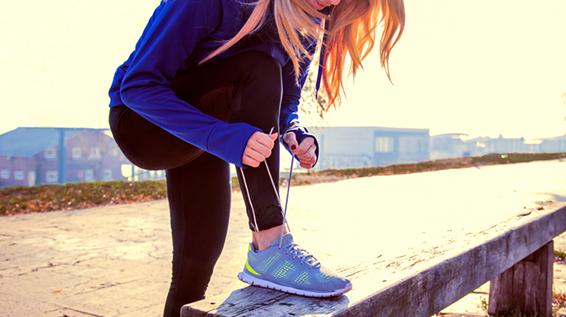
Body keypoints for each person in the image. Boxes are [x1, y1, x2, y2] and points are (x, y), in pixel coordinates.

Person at [107, 0, 405, 315]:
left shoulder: (307, 20)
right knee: (259, 67)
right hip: (143, 126)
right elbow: (139, 86)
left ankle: (262, 253)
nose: (333, 1)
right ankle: (270, 245)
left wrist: (293, 130)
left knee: (194, 269)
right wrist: (222, 136)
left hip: (208, 133)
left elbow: (287, 99)